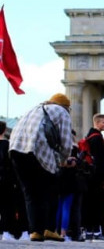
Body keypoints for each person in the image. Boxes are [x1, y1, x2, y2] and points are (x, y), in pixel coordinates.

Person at [9, 93, 73, 242]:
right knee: (48, 191)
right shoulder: (61, 111)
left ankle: (35, 231)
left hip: (15, 150)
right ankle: (49, 229)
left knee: (30, 193)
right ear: (66, 107)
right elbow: (66, 141)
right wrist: (64, 160)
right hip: (37, 150)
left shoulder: (35, 108)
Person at [83, 113, 104, 241]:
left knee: (89, 204)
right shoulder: (97, 138)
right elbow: (100, 161)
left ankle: (88, 231)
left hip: (89, 175)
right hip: (97, 177)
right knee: (98, 204)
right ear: (97, 123)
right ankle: (97, 232)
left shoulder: (89, 137)